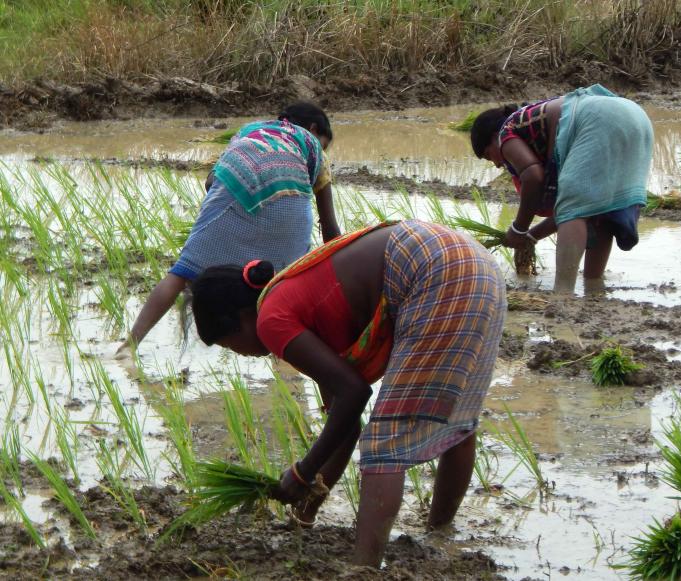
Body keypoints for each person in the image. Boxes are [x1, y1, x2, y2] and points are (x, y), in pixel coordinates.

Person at [189, 220, 506, 567]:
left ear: (238, 319)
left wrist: (302, 471)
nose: (240, 354)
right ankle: (439, 535)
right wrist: (305, 509)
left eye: (228, 344)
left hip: (434, 269)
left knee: (385, 443)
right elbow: (345, 422)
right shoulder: (298, 300)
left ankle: (363, 569)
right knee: (457, 421)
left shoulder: (272, 319)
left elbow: (355, 394)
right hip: (475, 262)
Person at [119, 102, 341, 351]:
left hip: (235, 190)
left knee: (183, 271)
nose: (322, 148)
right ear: (313, 129)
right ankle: (288, 367)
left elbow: (211, 181)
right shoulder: (312, 147)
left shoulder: (251, 130)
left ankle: (129, 347)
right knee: (285, 288)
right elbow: (330, 228)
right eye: (324, 142)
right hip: (290, 204)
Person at [470, 84, 653, 292]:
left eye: (488, 155)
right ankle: (594, 286)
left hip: (597, 120)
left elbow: (533, 176)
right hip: (636, 116)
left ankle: (562, 295)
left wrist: (518, 229)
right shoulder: (540, 131)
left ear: (493, 137)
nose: (496, 164)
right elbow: (571, 210)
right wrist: (530, 237)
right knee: (600, 211)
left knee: (574, 209)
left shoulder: (506, 132)